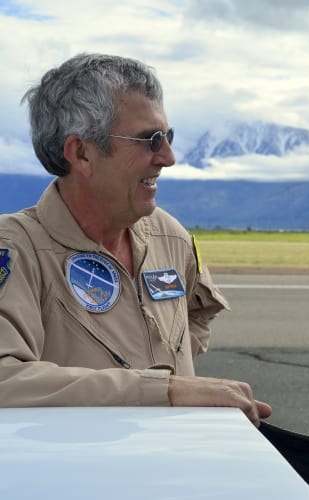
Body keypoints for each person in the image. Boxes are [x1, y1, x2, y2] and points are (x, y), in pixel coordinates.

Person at [0, 53, 271, 426]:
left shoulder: (169, 237)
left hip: (172, 466)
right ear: (82, 153)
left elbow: (197, 313)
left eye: (168, 136)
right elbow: (5, 380)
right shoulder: (17, 250)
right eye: (150, 139)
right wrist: (163, 390)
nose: (168, 157)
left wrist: (172, 374)